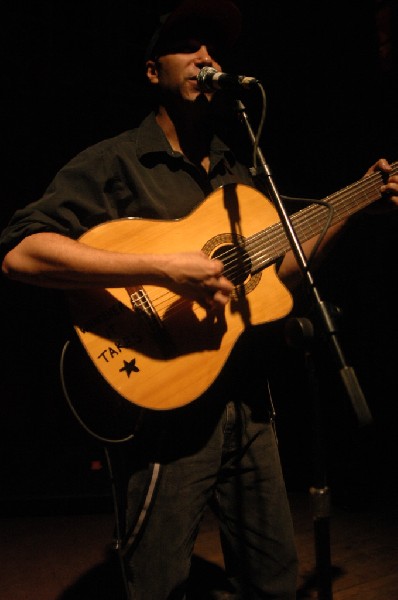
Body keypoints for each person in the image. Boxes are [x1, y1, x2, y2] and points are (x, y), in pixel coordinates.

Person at [1, 1, 397, 598]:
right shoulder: (116, 161)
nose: (206, 57)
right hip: (166, 412)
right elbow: (21, 254)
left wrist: (357, 202)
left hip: (249, 404)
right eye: (187, 45)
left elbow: (282, 271)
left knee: (273, 582)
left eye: (213, 47)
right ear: (152, 72)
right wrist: (160, 266)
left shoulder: (237, 174)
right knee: (157, 584)